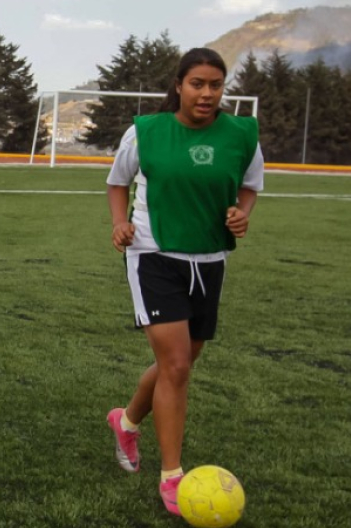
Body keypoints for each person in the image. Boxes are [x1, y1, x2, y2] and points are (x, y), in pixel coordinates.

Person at [103, 47, 264, 516]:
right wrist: (119, 222)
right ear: (178, 85)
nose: (207, 93)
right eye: (198, 83)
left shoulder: (241, 135)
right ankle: (172, 475)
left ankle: (127, 420)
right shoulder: (146, 132)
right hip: (154, 253)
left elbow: (250, 186)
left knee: (183, 360)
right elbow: (118, 182)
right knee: (175, 366)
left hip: (210, 258)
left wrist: (241, 214)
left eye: (216, 84)